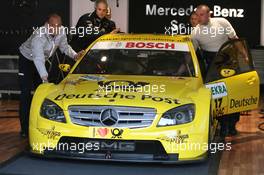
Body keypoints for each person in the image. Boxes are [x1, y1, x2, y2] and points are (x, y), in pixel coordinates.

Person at [18, 14, 84, 137]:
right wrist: (44, 77)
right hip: (27, 60)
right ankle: (24, 129)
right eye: (53, 25)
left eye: (59, 25)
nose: (56, 28)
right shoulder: (39, 36)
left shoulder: (61, 31)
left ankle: (41, 125)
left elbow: (64, 47)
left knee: (42, 95)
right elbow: (38, 59)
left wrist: (75, 55)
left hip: (40, 60)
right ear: (47, 24)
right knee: (26, 94)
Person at [191, 5, 239, 137]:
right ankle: (223, 125)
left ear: (209, 14)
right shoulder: (195, 33)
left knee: (233, 94)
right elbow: (191, 54)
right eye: (197, 15)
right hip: (213, 67)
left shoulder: (222, 22)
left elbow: (235, 40)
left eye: (202, 14)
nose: (199, 18)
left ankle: (232, 124)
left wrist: (245, 58)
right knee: (219, 97)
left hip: (229, 62)